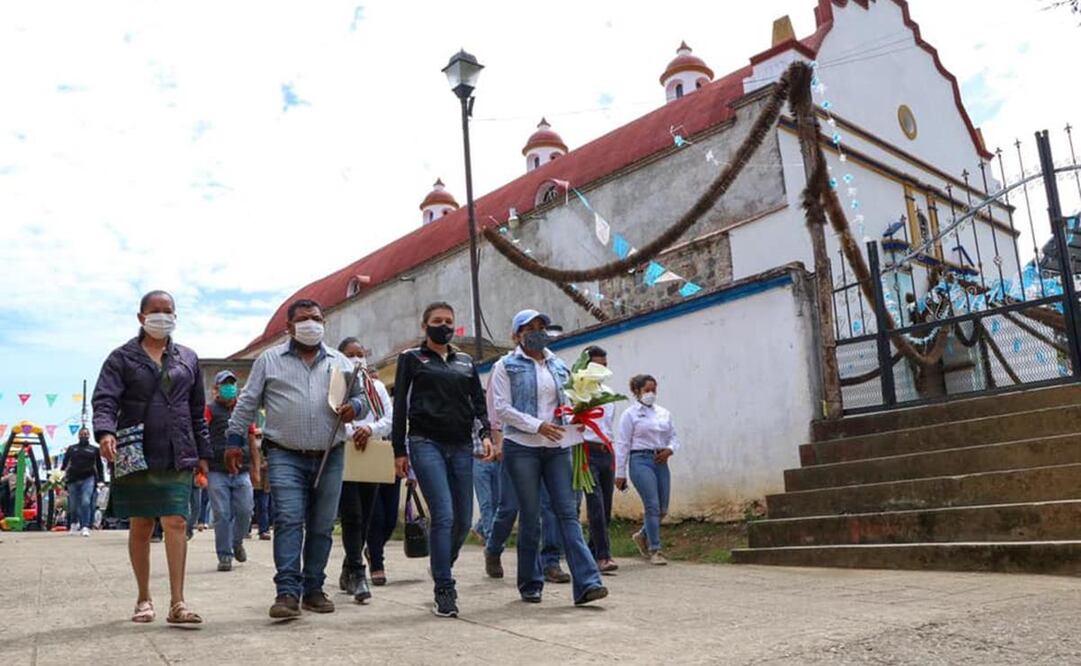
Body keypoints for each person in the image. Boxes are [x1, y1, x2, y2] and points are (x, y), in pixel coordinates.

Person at [227, 299, 368, 620]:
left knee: (321, 526)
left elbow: (361, 399)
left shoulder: (342, 362)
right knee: (289, 520)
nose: (311, 324)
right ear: (289, 327)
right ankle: (287, 593)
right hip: (284, 455)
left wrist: (355, 409)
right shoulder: (269, 360)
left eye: (317, 318)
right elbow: (248, 402)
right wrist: (234, 441)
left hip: (330, 455)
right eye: (303, 319)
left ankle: (314, 589)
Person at [92, 289, 210, 624]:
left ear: (176, 316)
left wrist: (203, 453)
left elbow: (197, 411)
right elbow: (105, 400)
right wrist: (105, 432)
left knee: (176, 520)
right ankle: (143, 598)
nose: (163, 316)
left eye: (168, 310)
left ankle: (178, 602)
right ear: (141, 317)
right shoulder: (121, 358)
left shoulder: (187, 357)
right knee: (141, 525)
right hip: (135, 451)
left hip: (178, 451)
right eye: (155, 310)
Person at [489, 309, 608, 606]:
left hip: (557, 448)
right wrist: (537, 425)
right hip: (522, 447)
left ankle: (588, 583)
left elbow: (568, 401)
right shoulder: (505, 365)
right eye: (529, 328)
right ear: (516, 335)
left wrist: (577, 416)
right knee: (531, 517)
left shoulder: (559, 364)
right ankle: (530, 582)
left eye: (541, 326)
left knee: (567, 513)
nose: (537, 332)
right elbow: (502, 408)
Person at [392, 302, 494, 618]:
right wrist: (399, 450)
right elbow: (400, 408)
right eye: (437, 321)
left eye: (449, 321)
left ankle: (440, 565)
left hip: (462, 444)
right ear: (425, 326)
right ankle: (444, 589)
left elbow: (477, 402)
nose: (444, 325)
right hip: (426, 443)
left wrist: (487, 433)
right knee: (445, 514)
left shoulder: (465, 361)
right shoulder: (411, 359)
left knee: (464, 520)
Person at [335, 337, 393, 604]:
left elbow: (389, 419)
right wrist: (352, 431)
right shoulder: (337, 384)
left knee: (368, 516)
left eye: (361, 353)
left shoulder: (377, 388)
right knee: (352, 516)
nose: (357, 358)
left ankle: (349, 566)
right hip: (346, 453)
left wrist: (369, 429)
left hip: (372, 453)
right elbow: (330, 416)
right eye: (351, 354)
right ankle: (359, 574)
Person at [615, 374, 681, 566]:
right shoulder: (630, 414)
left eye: (654, 390)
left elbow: (673, 437)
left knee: (662, 508)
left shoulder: (663, 413)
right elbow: (623, 444)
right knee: (652, 505)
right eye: (647, 390)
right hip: (640, 460)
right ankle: (655, 549)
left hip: (660, 459)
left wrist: (670, 449)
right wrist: (620, 473)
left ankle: (643, 535)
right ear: (637, 391)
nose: (651, 394)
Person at [205, 370, 261, 572]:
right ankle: (225, 555)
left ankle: (237, 542)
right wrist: (201, 465)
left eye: (232, 384)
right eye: (225, 384)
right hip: (217, 470)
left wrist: (256, 469)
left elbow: (252, 441)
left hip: (242, 471)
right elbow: (202, 436)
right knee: (221, 513)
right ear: (216, 389)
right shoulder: (210, 410)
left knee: (246, 510)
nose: (229, 388)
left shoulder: (244, 411)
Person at [580, 346, 619, 573]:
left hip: (606, 451)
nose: (602, 370)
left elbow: (608, 425)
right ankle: (603, 556)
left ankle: (590, 551)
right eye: (597, 365)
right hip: (586, 452)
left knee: (605, 508)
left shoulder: (608, 392)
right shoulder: (577, 391)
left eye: (604, 365)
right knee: (594, 504)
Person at [61, 427, 104, 537]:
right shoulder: (72, 448)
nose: (84, 435)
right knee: (73, 504)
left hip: (88, 478)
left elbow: (99, 465)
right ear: (78, 435)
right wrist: (60, 478)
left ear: (89, 436)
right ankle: (74, 524)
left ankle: (85, 526)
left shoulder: (94, 449)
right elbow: (64, 464)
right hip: (72, 478)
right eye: (82, 434)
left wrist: (101, 480)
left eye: (86, 434)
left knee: (86, 501)